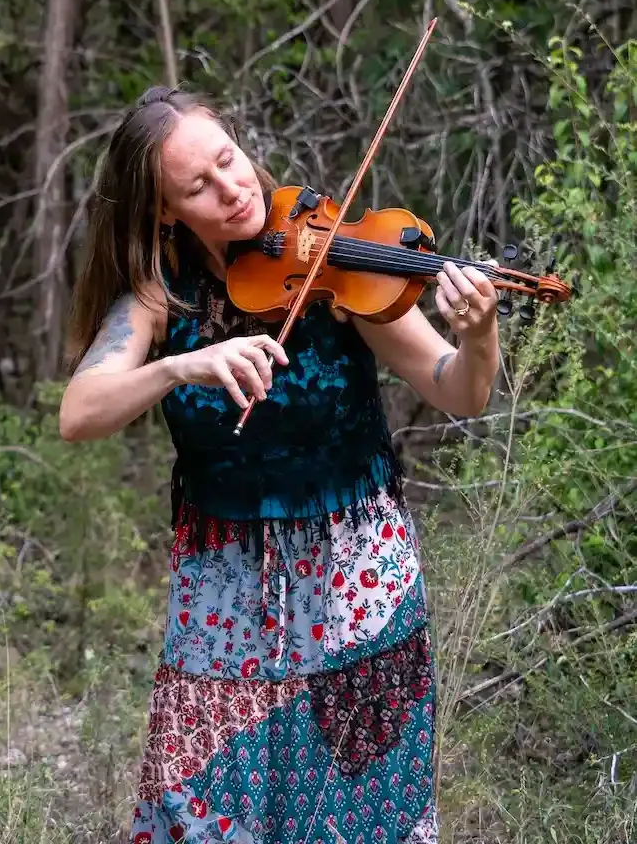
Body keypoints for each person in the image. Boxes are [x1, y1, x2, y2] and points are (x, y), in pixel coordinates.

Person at [59, 86, 500, 844]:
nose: (230, 189)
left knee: (361, 811)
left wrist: (482, 333)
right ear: (166, 212)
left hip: (355, 574)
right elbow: (80, 413)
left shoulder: (337, 270)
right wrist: (181, 368)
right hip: (224, 586)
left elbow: (457, 389)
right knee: (203, 807)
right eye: (197, 186)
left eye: (227, 160)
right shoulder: (159, 295)